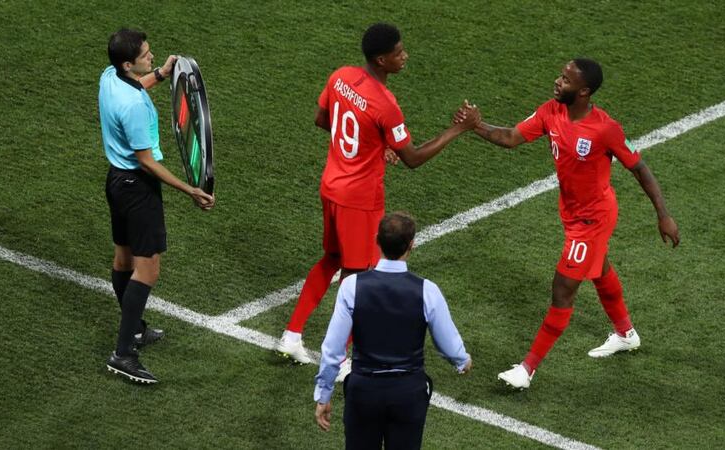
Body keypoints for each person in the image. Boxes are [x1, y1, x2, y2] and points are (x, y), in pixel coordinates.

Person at [456, 58, 680, 389]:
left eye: (566, 79)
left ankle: (527, 370)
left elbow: (640, 169)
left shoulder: (605, 129)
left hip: (594, 218)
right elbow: (511, 137)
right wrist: (475, 125)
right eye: (560, 76)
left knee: (563, 289)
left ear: (584, 91)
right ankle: (625, 333)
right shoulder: (551, 111)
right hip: (573, 213)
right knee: (599, 268)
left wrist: (663, 214)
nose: (558, 82)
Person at [277, 23, 479, 371]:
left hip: (331, 186)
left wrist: (372, 143)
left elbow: (322, 119)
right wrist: (459, 128)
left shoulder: (340, 76)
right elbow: (412, 158)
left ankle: (292, 335)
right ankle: (341, 360)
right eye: (399, 53)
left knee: (331, 259)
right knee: (359, 280)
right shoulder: (385, 104)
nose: (405, 56)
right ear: (382, 60)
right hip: (359, 199)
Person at [99, 28, 215, 384]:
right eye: (146, 55)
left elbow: (137, 85)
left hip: (116, 182)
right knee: (147, 270)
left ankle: (134, 330)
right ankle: (123, 353)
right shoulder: (134, 107)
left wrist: (162, 74)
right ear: (127, 63)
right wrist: (190, 189)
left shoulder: (109, 78)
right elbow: (147, 161)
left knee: (123, 259)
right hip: (137, 189)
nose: (151, 56)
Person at [313, 212, 472, 449]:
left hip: (364, 390)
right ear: (411, 245)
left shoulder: (351, 287)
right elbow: (447, 343)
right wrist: (462, 360)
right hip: (408, 392)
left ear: (377, 240)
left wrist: (323, 395)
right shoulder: (427, 290)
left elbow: (333, 349)